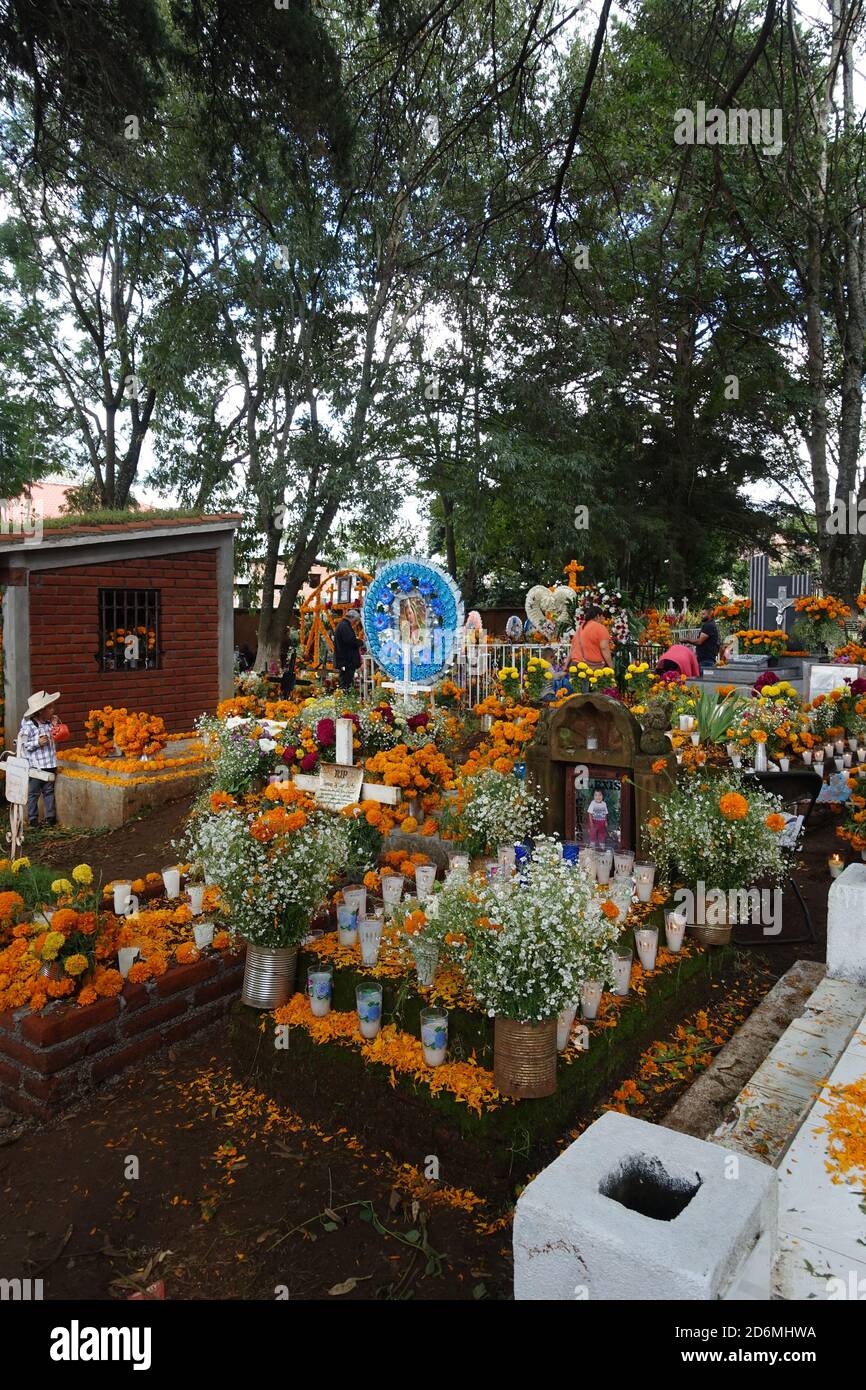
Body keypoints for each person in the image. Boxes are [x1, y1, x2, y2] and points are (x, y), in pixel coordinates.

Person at [19, 690, 64, 829]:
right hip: (36, 767)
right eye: (50, 708)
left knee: (48, 791)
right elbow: (22, 745)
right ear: (40, 711)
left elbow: (59, 732)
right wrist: (37, 743)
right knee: (34, 793)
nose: (53, 709)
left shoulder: (50, 723)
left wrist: (57, 725)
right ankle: (33, 819)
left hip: (50, 764)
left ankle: (50, 817)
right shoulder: (29, 726)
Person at [569, 604, 612, 669]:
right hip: (591, 667)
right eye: (602, 616)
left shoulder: (580, 628)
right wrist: (611, 666)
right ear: (598, 616)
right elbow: (604, 648)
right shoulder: (600, 628)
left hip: (575, 664)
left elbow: (572, 648)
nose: (603, 619)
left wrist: (566, 667)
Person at [683, 604, 721, 670]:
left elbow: (699, 641)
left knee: (704, 679)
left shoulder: (709, 626)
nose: (701, 616)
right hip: (704, 659)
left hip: (706, 660)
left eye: (703, 614)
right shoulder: (709, 625)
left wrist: (686, 640)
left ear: (709, 615)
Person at [333, 609, 363, 691]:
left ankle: (345, 697)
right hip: (346, 661)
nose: (355, 623)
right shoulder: (345, 626)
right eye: (356, 621)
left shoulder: (343, 625)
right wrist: (361, 642)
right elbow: (350, 640)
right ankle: (345, 699)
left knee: (346, 682)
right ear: (352, 618)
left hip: (345, 661)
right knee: (346, 683)